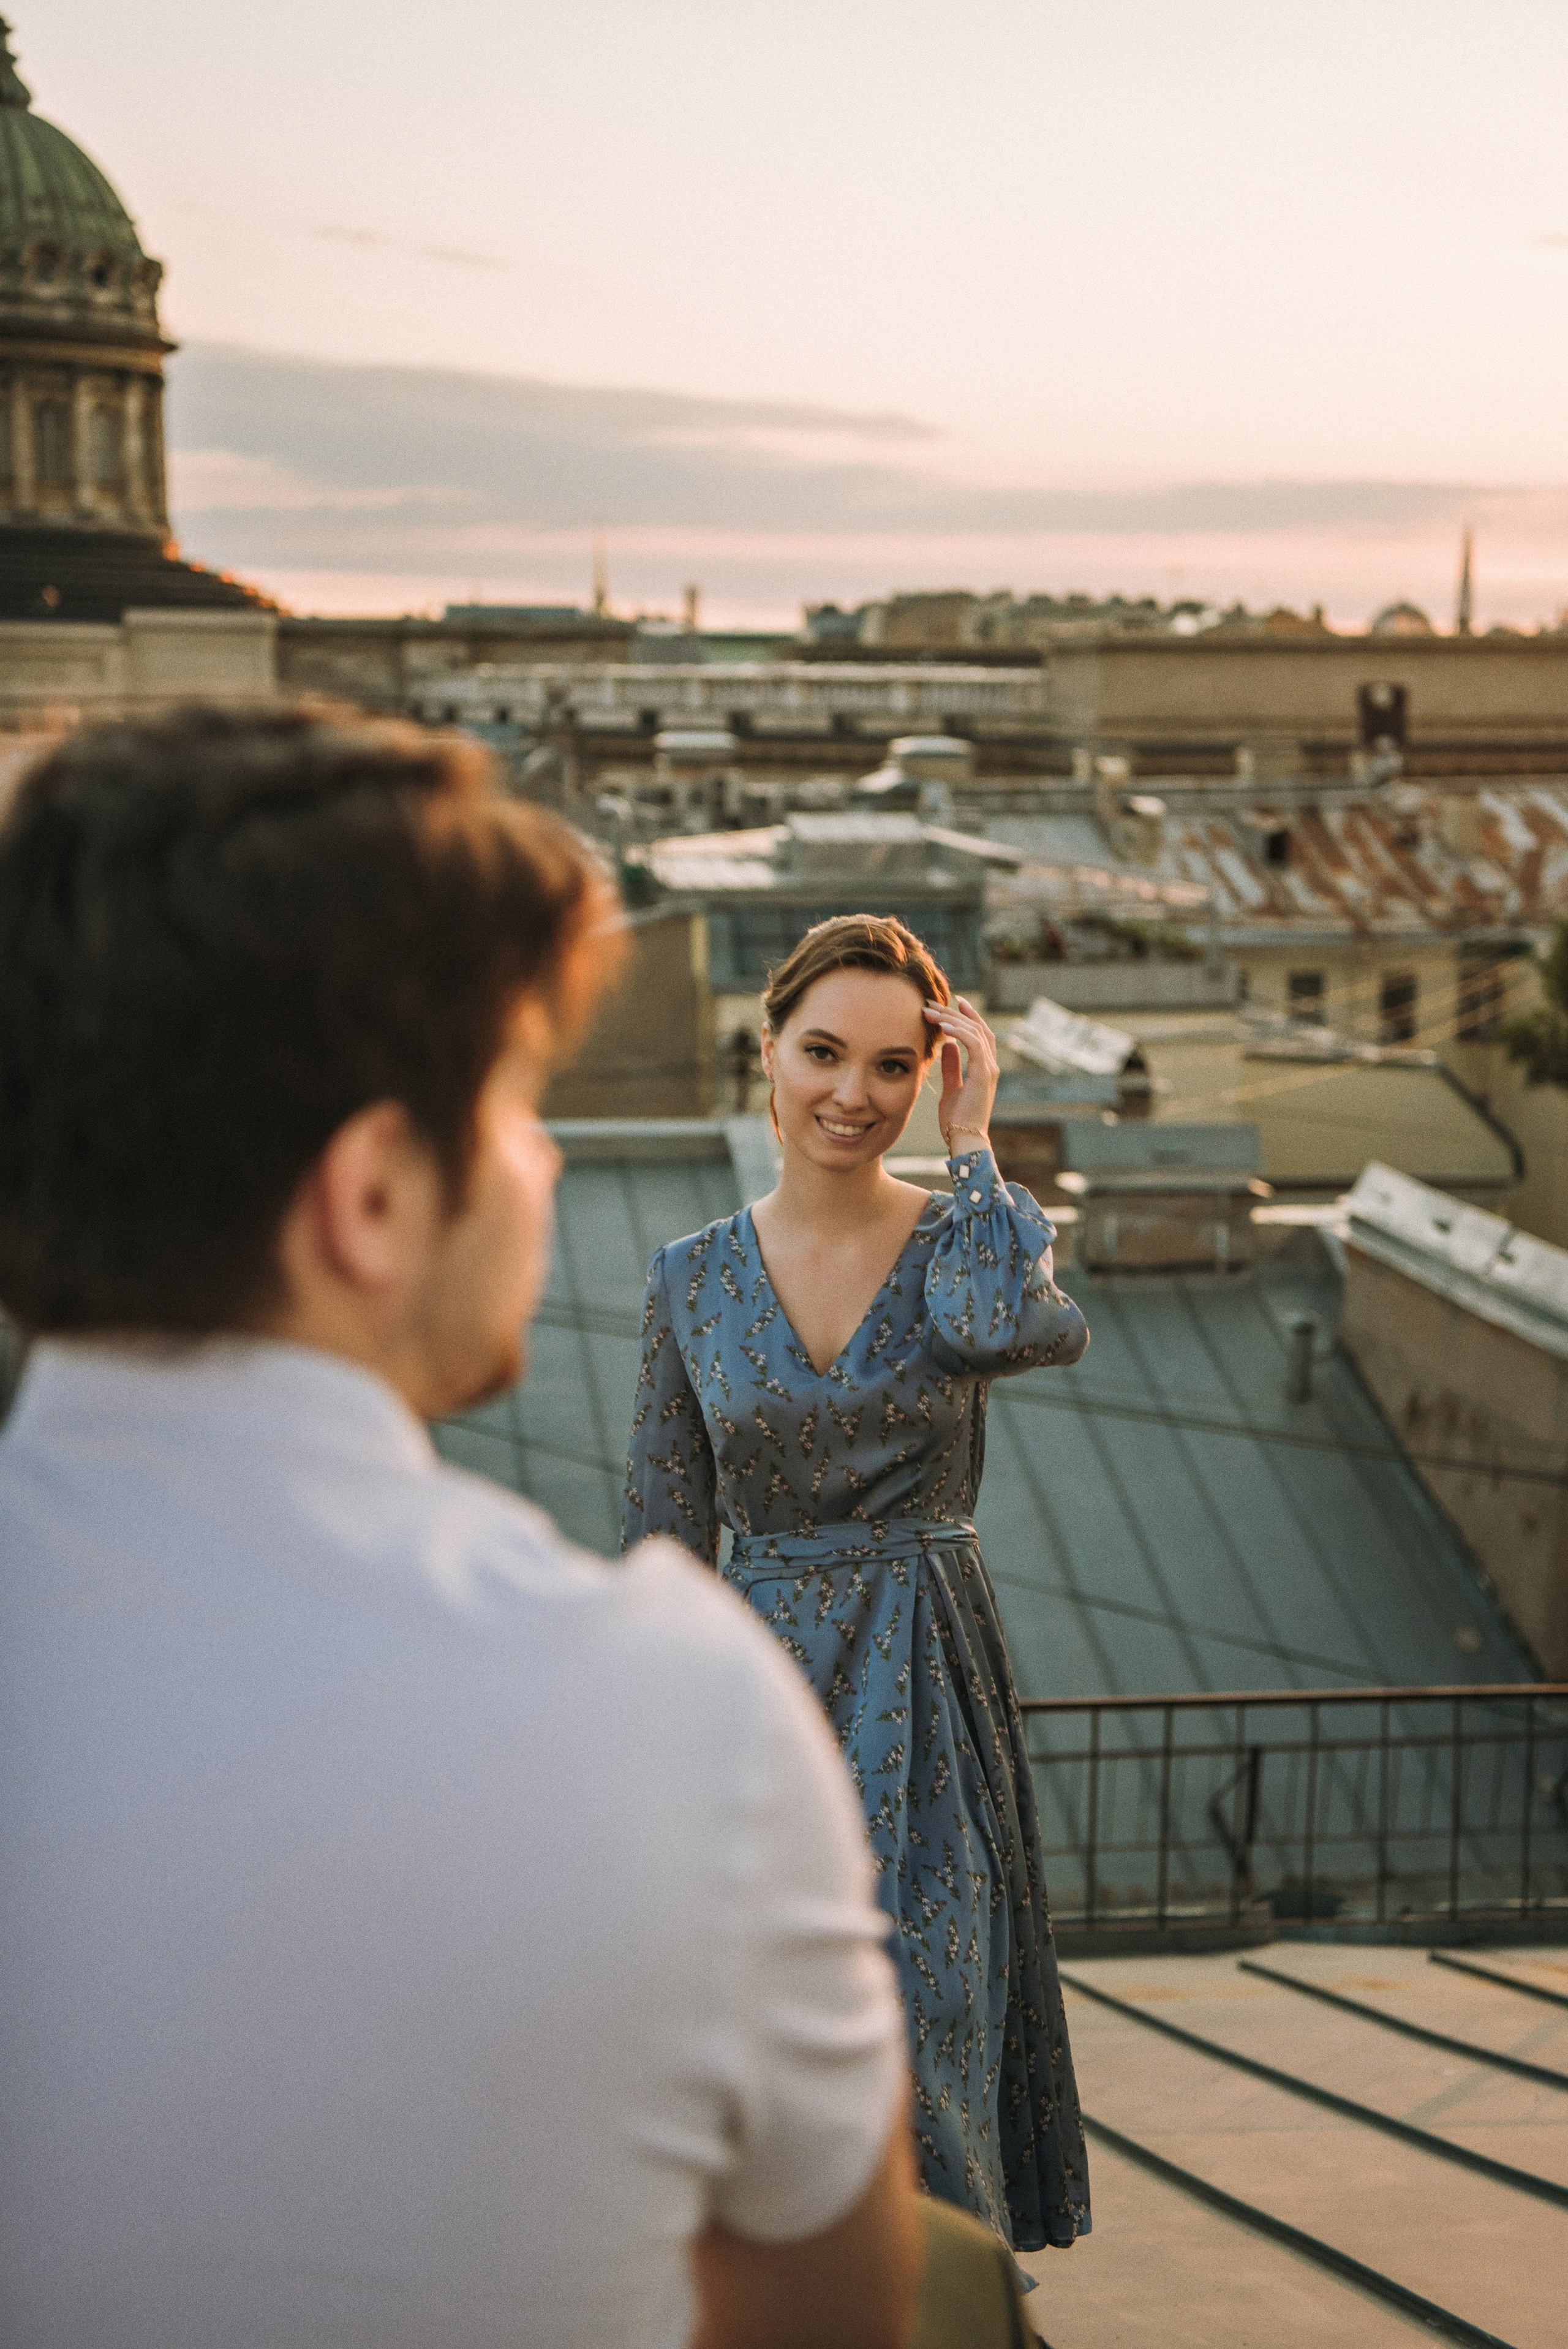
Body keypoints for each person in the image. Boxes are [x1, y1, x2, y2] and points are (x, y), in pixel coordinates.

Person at [0, 711, 925, 2349]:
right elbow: (830, 2322)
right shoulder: (678, 1715)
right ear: (370, 1198)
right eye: (510, 1100)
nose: (545, 1156)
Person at [622, 914, 1093, 2263]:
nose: (851, 1093)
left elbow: (1017, 1330)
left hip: (928, 1684)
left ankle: (936, 2304)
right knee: (774, 2047)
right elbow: (661, 1536)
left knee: (926, 2019)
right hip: (760, 1699)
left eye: (893, 1065)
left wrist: (975, 1136)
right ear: (763, 1053)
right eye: (821, 1052)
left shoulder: (964, 1240)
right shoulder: (689, 1280)